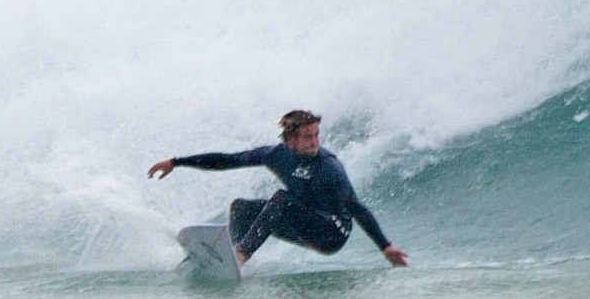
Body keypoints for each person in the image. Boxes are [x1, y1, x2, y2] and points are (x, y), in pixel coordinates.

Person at [148, 110, 409, 268]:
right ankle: (232, 258)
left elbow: (355, 207)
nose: (314, 142)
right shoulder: (276, 155)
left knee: (281, 199)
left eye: (317, 135)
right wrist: (177, 162)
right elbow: (228, 160)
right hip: (302, 220)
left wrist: (384, 246)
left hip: (332, 232)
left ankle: (240, 255)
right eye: (308, 136)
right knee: (241, 207)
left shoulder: (328, 167)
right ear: (290, 138)